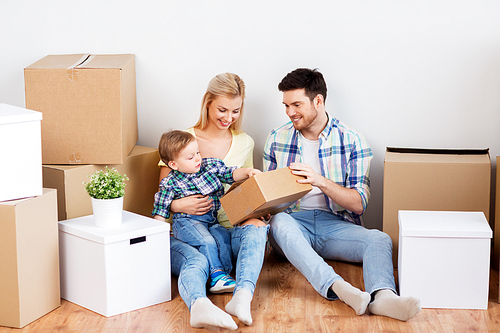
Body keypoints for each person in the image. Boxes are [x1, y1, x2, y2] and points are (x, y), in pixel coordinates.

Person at [263, 68, 421, 322]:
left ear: (318, 101)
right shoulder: (276, 138)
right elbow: (268, 199)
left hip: (335, 227)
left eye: (296, 104)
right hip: (292, 225)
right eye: (286, 105)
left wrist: (319, 181)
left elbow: (358, 205)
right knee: (278, 222)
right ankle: (337, 286)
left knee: (379, 239)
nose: (289, 112)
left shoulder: (352, 140)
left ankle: (384, 297)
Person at [159, 73, 269, 330]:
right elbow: (162, 192)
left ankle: (242, 296)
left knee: (257, 227)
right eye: (222, 109)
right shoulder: (181, 139)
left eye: (235, 111)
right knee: (197, 260)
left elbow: (242, 186)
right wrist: (178, 206)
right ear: (207, 102)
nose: (228, 118)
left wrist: (261, 208)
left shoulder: (245, 142)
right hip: (189, 231)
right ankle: (199, 305)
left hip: (224, 228)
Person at [153, 130, 261, 294]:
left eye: (197, 152)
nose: (197, 158)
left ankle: (220, 273)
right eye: (190, 157)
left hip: (211, 220)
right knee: (207, 241)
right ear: (174, 164)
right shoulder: (170, 183)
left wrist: (246, 172)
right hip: (186, 222)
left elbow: (230, 173)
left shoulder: (209, 166)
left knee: (222, 237)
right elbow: (161, 209)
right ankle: (217, 274)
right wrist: (157, 238)